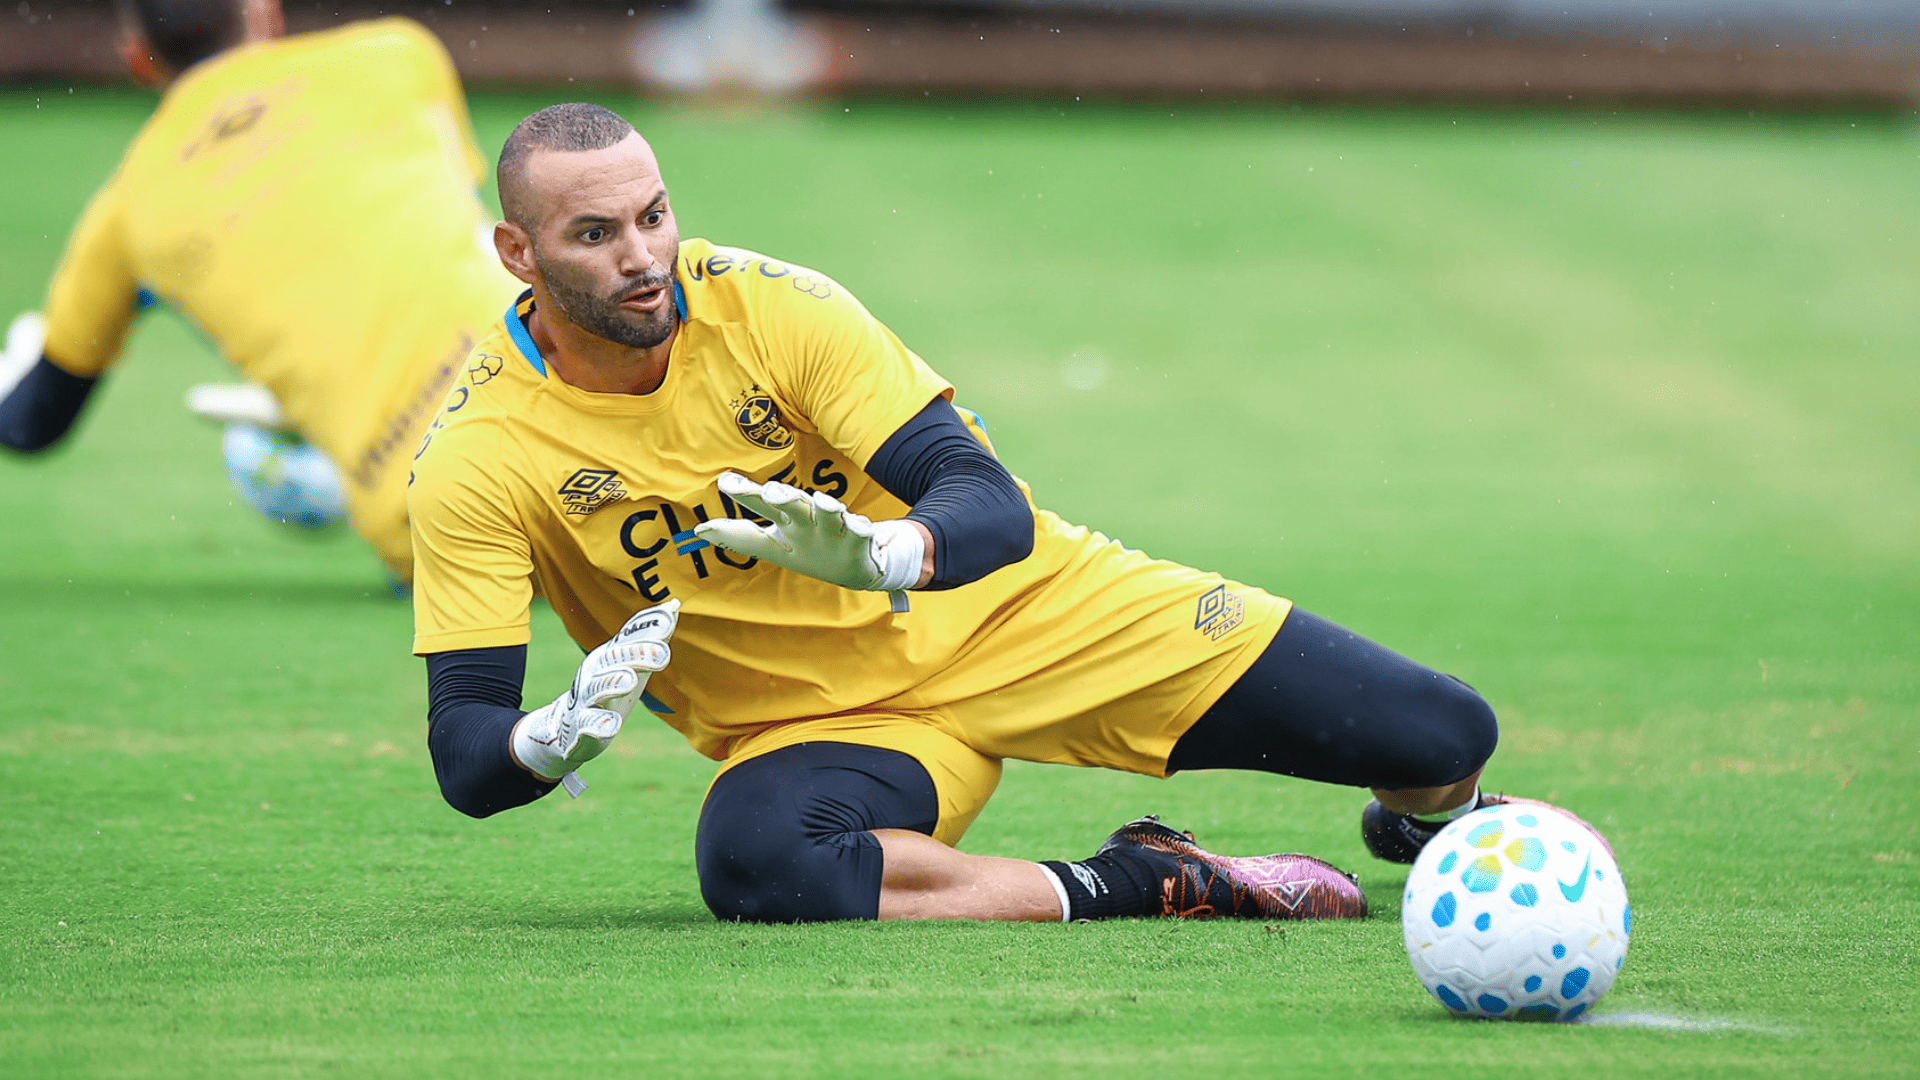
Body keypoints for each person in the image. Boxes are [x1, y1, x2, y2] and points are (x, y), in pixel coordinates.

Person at [408, 102, 1538, 925]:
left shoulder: (773, 310)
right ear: (518, 252)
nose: (644, 258)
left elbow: (988, 506)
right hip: (829, 733)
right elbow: (466, 756)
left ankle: (1422, 825)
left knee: (1444, 736)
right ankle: (1143, 880)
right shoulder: (479, 454)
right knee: (756, 864)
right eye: (594, 236)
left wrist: (883, 555)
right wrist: (547, 740)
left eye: (653, 217)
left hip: (1029, 612)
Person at [0, 0, 520, 584]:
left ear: (138, 60)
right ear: (265, 15)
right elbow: (460, 237)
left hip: (430, 523)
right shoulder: (396, 54)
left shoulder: (127, 215)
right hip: (572, 406)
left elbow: (31, 425)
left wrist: (18, 364)